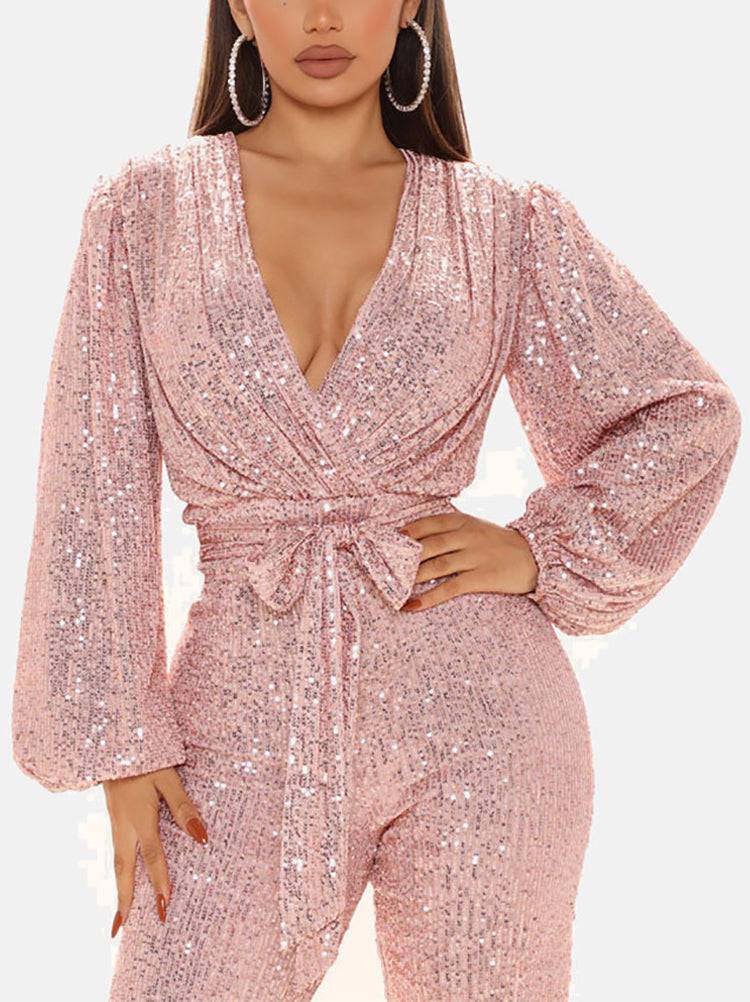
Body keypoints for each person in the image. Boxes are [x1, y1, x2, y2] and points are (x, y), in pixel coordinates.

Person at [11, 2, 742, 1000]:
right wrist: (120, 744)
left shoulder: (504, 221)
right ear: (238, 6)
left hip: (485, 714)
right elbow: (92, 481)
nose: (323, 15)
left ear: (408, 6)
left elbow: (685, 414)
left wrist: (541, 549)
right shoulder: (145, 211)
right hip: (237, 713)